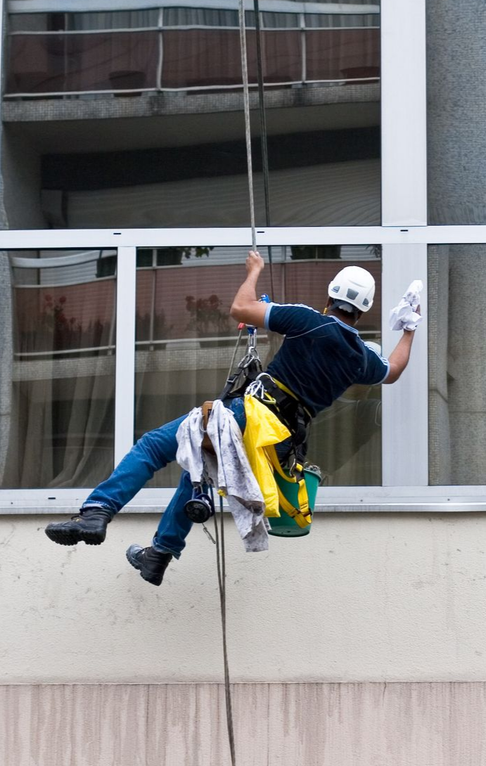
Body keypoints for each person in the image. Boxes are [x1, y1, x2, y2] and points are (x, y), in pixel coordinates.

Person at [45, 251, 418, 586]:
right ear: (363, 310)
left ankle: (96, 512)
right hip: (277, 441)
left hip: (250, 414)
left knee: (154, 446)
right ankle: (158, 556)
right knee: (197, 473)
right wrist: (409, 327)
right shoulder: (361, 357)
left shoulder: (309, 321)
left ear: (330, 295)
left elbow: (241, 308)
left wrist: (253, 272)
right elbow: (395, 369)